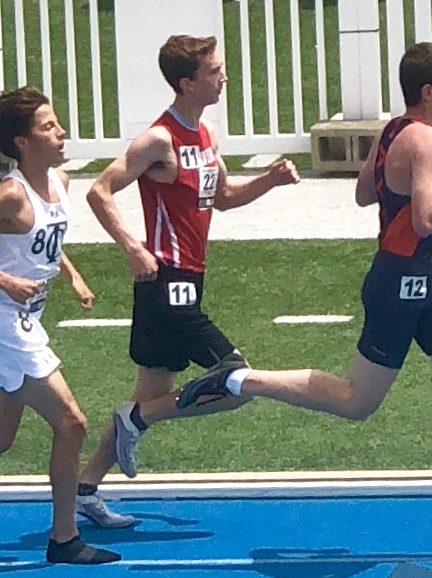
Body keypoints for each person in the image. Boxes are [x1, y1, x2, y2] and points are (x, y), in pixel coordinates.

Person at [174, 41, 432, 529]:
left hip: (419, 282)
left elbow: (364, 191)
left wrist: (427, 168)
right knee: (356, 401)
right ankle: (237, 378)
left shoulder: (395, 131)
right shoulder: (424, 140)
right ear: (428, 90)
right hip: (399, 284)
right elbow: (425, 219)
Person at [75, 34, 299, 526]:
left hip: (189, 278)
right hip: (164, 278)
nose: (224, 77)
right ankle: (136, 421)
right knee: (235, 377)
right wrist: (132, 247)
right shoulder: (159, 140)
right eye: (214, 71)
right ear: (186, 82)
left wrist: (270, 180)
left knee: (150, 392)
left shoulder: (207, 134)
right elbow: (99, 191)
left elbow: (223, 198)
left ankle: (85, 489)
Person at [0, 86, 121, 564]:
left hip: (27, 320)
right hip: (6, 325)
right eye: (48, 126)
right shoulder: (10, 195)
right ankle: (64, 538)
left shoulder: (61, 182)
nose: (61, 132)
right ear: (21, 141)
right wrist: (6, 280)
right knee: (72, 423)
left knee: (2, 440)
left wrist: (71, 274)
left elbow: (46, 237)